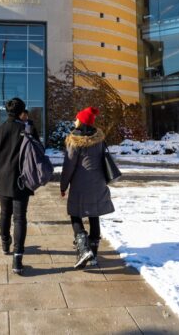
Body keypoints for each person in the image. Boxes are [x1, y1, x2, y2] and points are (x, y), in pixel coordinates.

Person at [60, 106, 114, 269]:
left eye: (77, 118)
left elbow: (69, 166)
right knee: (94, 215)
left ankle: (83, 249)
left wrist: (63, 185)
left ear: (81, 121)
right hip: (98, 183)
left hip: (80, 185)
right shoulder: (99, 139)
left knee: (75, 215)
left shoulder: (75, 140)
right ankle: (94, 255)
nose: (74, 120)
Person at [0, 97, 34, 275]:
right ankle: (17, 259)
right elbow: (38, 153)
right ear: (22, 113)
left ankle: (5, 243)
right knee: (20, 218)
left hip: (3, 180)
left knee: (5, 213)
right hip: (22, 181)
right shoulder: (27, 130)